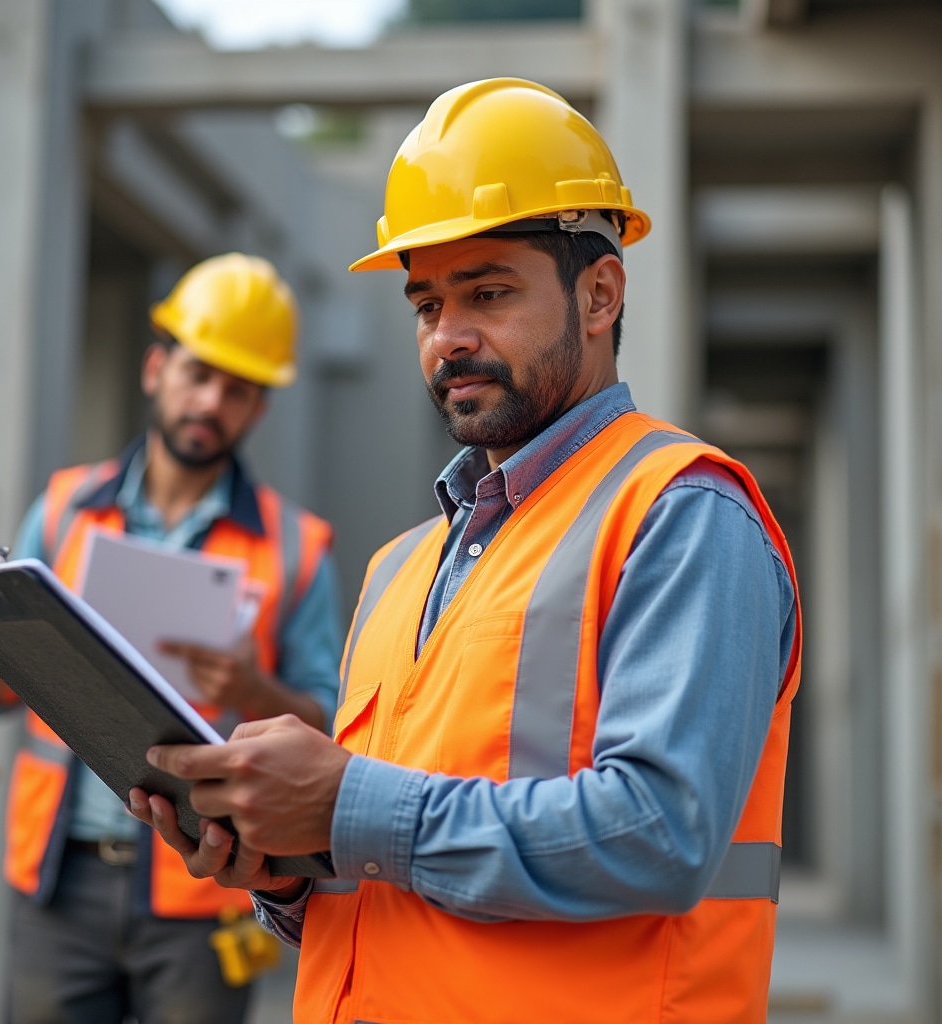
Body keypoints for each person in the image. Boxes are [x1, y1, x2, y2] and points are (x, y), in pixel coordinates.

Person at [129, 80, 802, 1024]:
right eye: (425, 305)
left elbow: (660, 835)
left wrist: (344, 805)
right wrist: (280, 871)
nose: (450, 338)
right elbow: (380, 875)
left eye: (488, 293)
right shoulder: (400, 570)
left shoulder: (681, 512)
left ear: (600, 293)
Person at [0, 253, 344, 1024]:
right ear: (154, 368)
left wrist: (250, 690)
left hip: (206, 883)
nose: (211, 402)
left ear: (258, 410)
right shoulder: (66, 509)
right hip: (59, 880)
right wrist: (18, 650)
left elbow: (329, 723)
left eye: (238, 390)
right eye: (198, 374)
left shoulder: (299, 548)